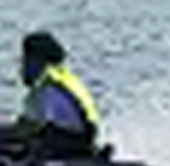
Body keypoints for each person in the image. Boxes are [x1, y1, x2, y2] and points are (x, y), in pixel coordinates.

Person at [10, 30, 104, 158]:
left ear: (37, 60)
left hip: (70, 142)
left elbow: (30, 126)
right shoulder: (61, 76)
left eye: (25, 59)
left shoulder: (48, 86)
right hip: (83, 138)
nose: (21, 66)